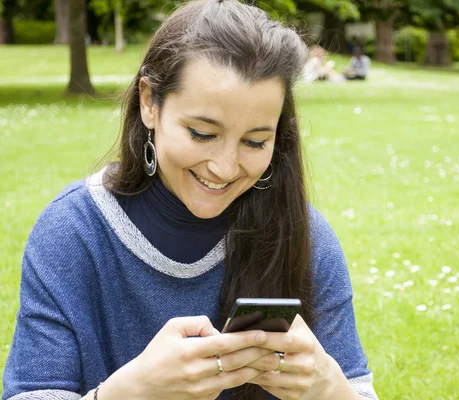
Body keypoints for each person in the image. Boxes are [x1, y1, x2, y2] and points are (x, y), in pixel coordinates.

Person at [2, 1, 378, 400]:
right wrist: (131, 392)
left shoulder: (306, 235)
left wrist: (329, 388)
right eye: (202, 133)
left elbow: (357, 390)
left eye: (255, 141)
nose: (225, 167)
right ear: (149, 102)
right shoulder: (72, 232)